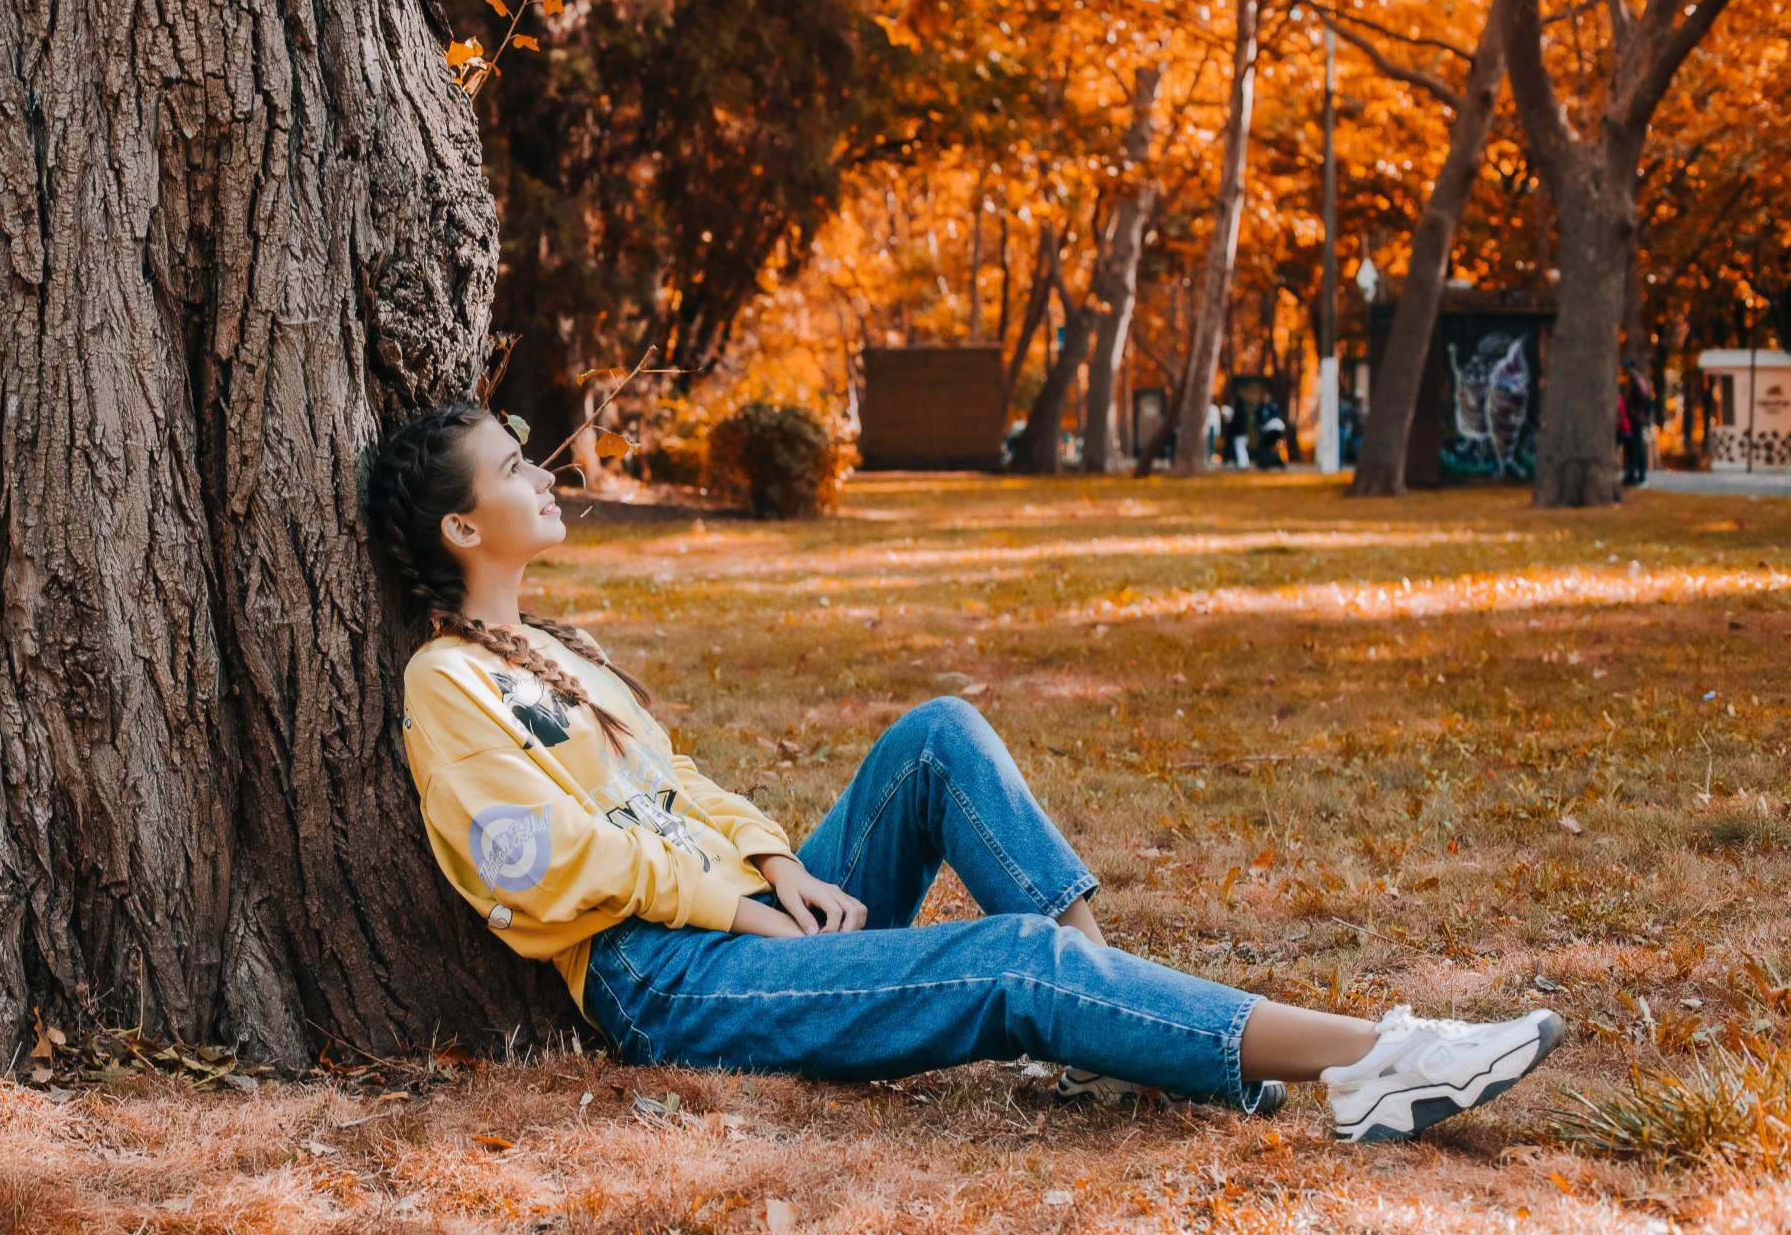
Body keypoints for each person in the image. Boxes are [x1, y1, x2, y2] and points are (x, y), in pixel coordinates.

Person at [366, 401, 1564, 1143]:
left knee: (937, 732)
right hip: (663, 975)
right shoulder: (448, 685)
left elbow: (681, 783)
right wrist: (734, 903)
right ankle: (1370, 1062)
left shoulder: (558, 649)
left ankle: (1113, 1019)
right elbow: (530, 861)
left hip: (742, 915)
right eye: (512, 468)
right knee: (1010, 959)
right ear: (463, 530)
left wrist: (777, 859)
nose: (541, 475)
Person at [1620, 361, 1655, 487]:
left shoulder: (1637, 381)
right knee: (1631, 447)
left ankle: (1640, 476)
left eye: (1626, 368)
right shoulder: (1633, 381)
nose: (1625, 371)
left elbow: (1644, 400)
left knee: (1637, 447)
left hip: (1635, 419)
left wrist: (1637, 414)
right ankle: (1631, 475)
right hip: (1632, 418)